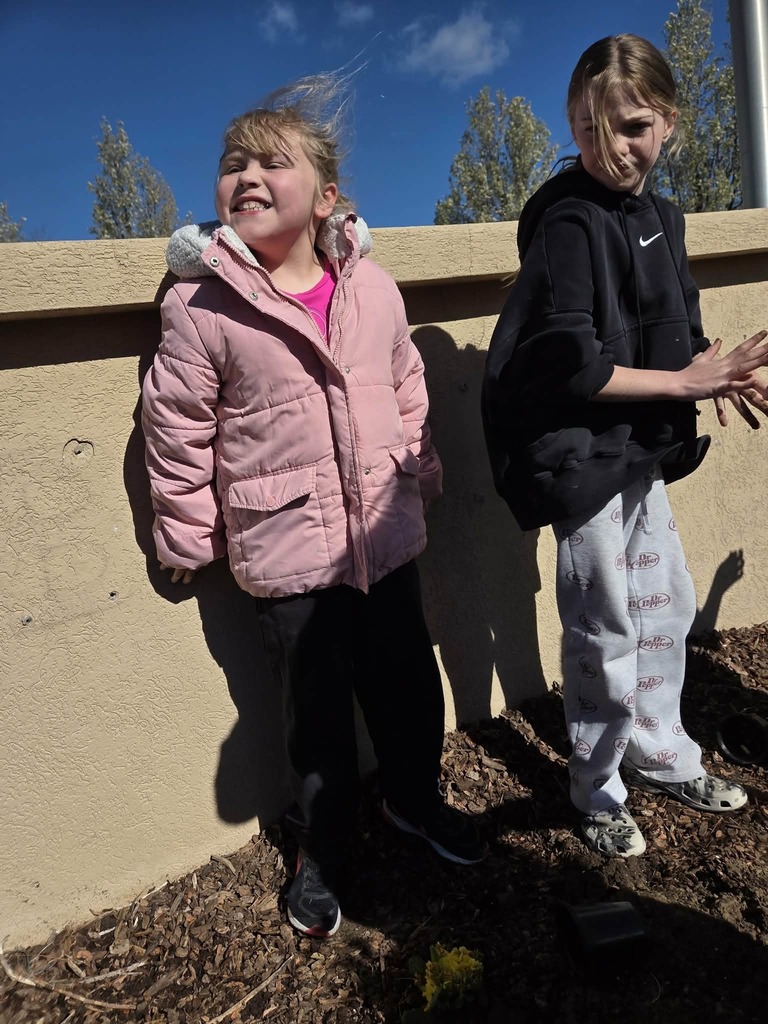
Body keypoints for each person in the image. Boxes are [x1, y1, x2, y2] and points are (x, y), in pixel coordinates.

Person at [141, 75, 486, 938]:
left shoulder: (373, 289)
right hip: (289, 558)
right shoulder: (202, 305)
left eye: (271, 162)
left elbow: (406, 388)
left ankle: (414, 800)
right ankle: (322, 848)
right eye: (231, 165)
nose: (246, 177)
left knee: (410, 687)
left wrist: (423, 470)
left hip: (386, 539)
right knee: (317, 720)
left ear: (327, 196)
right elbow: (176, 426)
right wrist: (187, 534)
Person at [482, 35, 768, 858]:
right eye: (588, 128)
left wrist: (720, 372)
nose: (612, 148)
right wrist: (685, 386)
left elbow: (675, 326)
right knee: (604, 624)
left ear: (670, 123)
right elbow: (574, 365)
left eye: (634, 125)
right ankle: (596, 785)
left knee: (665, 604)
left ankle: (659, 749)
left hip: (636, 447)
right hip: (578, 455)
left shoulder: (662, 218)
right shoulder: (568, 222)